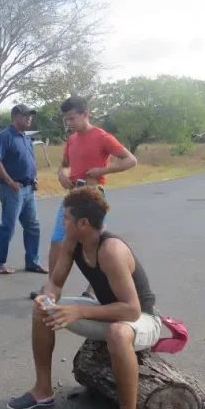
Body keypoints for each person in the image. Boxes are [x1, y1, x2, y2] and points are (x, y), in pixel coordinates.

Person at [6, 187, 161, 409]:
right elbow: (55, 282)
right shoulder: (73, 242)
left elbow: (132, 310)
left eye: (65, 217)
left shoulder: (111, 250)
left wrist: (79, 310)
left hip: (142, 319)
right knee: (42, 309)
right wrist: (48, 298)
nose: (61, 222)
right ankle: (42, 390)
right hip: (106, 312)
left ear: (83, 223)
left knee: (118, 332)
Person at [30, 96, 137, 299]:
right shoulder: (71, 139)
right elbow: (65, 163)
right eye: (66, 120)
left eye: (72, 118)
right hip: (72, 197)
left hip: (94, 195)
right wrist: (62, 174)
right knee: (57, 241)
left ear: (85, 114)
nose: (69, 124)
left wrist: (103, 169)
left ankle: (93, 290)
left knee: (97, 243)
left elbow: (130, 160)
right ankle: (51, 289)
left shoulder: (103, 137)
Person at [0, 104, 48, 275]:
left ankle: (32, 262)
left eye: (31, 116)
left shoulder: (27, 138)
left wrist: (34, 179)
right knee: (8, 226)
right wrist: (9, 181)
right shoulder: (4, 136)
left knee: (33, 226)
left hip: (28, 189)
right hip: (12, 189)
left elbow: (30, 161)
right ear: (15, 116)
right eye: (26, 115)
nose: (29, 118)